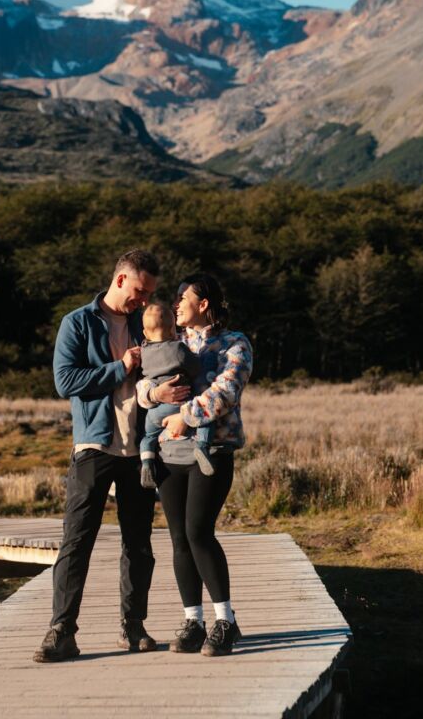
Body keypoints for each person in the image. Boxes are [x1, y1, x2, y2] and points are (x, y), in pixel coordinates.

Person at [33, 247, 164, 663]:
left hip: (141, 449)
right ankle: (61, 631)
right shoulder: (78, 322)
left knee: (138, 544)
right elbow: (65, 380)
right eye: (140, 291)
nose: (144, 301)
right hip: (94, 446)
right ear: (121, 279)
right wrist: (121, 367)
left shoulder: (148, 326)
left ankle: (134, 626)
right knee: (77, 542)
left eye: (149, 295)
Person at [137, 273, 253, 658]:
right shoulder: (172, 342)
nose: (176, 305)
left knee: (198, 531)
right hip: (171, 455)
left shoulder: (234, 344)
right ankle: (193, 621)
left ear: (203, 303)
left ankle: (226, 622)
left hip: (212, 451)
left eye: (182, 298)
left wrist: (185, 416)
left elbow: (227, 391)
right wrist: (154, 395)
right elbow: (144, 384)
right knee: (179, 539)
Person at [138, 302, 215, 489]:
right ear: (173, 330)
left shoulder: (143, 351)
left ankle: (147, 463)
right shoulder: (178, 348)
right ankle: (202, 446)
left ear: (145, 333)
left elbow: (142, 380)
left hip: (155, 411)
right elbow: (195, 367)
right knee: (205, 419)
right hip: (181, 402)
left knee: (148, 436)